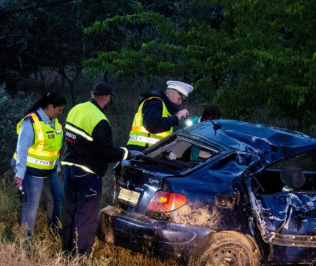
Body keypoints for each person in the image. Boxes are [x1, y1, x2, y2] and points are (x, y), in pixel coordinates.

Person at [60, 82, 130, 256]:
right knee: (87, 217)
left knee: (71, 212)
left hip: (69, 169)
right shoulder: (100, 120)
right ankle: (80, 258)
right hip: (87, 175)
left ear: (92, 93)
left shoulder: (75, 109)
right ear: (107, 98)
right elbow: (106, 153)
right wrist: (125, 153)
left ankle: (67, 253)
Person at [12, 91, 66, 237]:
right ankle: (25, 240)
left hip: (50, 170)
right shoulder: (30, 122)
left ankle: (55, 232)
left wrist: (57, 168)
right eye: (59, 110)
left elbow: (55, 149)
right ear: (50, 106)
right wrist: (19, 174)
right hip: (32, 172)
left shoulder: (55, 123)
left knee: (57, 198)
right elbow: (21, 150)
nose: (60, 113)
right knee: (31, 205)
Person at [126, 80, 194, 151]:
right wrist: (176, 118)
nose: (180, 103)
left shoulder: (165, 108)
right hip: (141, 152)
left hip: (149, 153)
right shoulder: (154, 102)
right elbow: (152, 126)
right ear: (170, 93)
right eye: (179, 98)